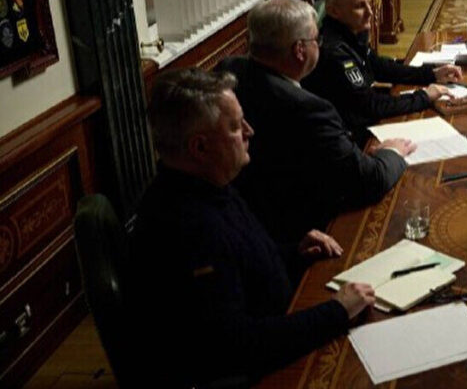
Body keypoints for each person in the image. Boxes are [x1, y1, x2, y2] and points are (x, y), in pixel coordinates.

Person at [131, 68, 376, 387]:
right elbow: (238, 346)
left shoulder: (208, 183)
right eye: (235, 126)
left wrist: (294, 253)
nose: (250, 131)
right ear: (200, 148)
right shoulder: (186, 226)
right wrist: (337, 311)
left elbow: (239, 262)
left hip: (278, 325)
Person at [217, 0, 414, 244]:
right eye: (316, 39)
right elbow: (369, 181)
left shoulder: (229, 69)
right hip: (310, 227)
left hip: (258, 219)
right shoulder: (309, 110)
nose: (320, 45)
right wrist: (393, 152)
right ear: (300, 50)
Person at [303, 0, 463, 144]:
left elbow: (380, 67)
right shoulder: (334, 52)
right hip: (352, 137)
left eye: (369, 3)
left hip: (364, 118)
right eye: (360, 6)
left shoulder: (351, 32)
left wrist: (432, 74)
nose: (370, 12)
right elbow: (370, 106)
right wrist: (424, 96)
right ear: (334, 11)